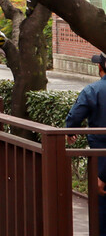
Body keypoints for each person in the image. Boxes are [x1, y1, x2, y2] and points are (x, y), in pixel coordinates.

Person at [66, 53, 106, 234]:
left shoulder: (93, 90)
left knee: (102, 210)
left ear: (100, 67)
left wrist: (71, 130)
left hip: (101, 156)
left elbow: (76, 115)